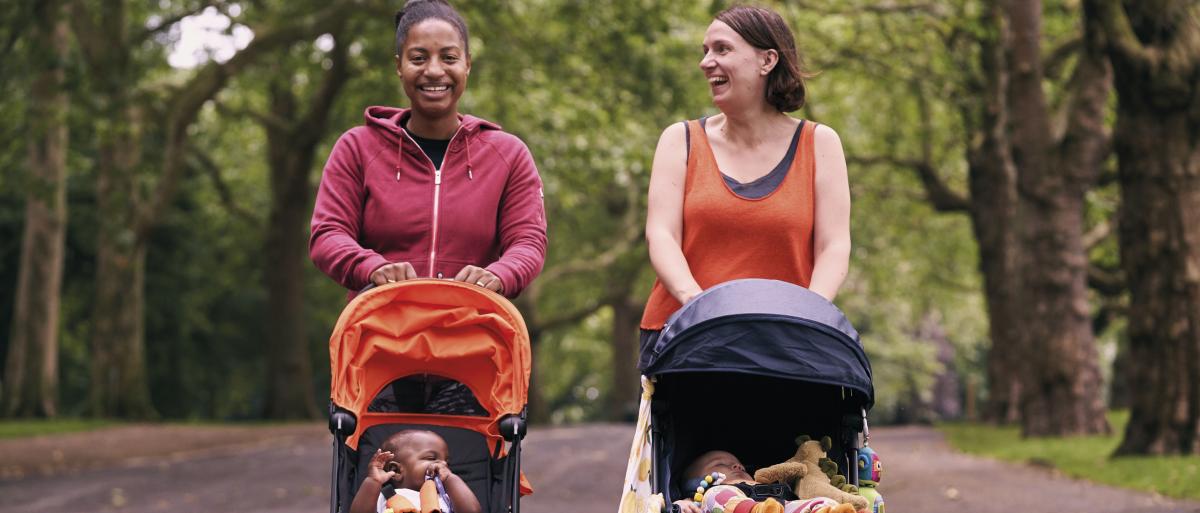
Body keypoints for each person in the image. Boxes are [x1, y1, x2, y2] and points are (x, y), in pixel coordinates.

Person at [310, 0, 546, 299]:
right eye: (419, 58)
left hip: (473, 333)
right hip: (380, 335)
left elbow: (528, 241)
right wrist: (371, 267)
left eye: (449, 58)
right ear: (399, 66)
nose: (434, 71)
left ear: (467, 64)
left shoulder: (509, 155)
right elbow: (328, 235)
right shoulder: (356, 148)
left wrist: (498, 274)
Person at [640, 5, 851, 340]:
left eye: (722, 49)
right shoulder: (679, 141)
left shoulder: (819, 143)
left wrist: (809, 314)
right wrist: (697, 305)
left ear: (767, 61)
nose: (706, 62)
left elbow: (834, 246)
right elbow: (662, 236)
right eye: (705, 51)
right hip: (686, 340)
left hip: (784, 343)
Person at [350, 430, 482, 513]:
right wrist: (373, 482)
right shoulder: (383, 497)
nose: (443, 465)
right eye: (431, 458)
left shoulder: (447, 498)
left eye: (447, 463)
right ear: (396, 470)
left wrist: (450, 478)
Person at [674, 451, 843, 513]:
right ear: (696, 484)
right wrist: (680, 504)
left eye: (739, 464)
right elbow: (684, 506)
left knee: (823, 502)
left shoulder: (767, 482)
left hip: (781, 508)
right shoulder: (704, 494)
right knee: (715, 495)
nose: (736, 465)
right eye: (720, 464)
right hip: (729, 507)